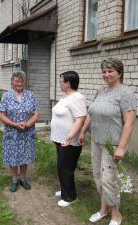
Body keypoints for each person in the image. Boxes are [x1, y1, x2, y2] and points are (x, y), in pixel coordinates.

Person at [78, 58, 137, 225]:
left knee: (109, 179)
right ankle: (104, 209)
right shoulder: (101, 91)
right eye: (104, 71)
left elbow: (130, 123)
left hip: (112, 144)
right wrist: (83, 130)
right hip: (96, 140)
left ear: (119, 73)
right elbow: (91, 113)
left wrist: (121, 147)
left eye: (110, 71)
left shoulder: (125, 93)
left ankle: (116, 215)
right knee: (98, 176)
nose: (106, 74)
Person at [50, 71, 87, 207]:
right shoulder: (65, 97)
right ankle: (65, 190)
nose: (59, 83)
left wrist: (70, 136)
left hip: (69, 141)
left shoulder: (77, 98)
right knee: (61, 166)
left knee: (66, 168)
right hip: (60, 139)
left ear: (68, 83)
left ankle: (70, 197)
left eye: (61, 81)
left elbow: (80, 118)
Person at [0, 71, 39, 192]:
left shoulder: (30, 95)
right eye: (17, 81)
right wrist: (14, 124)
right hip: (12, 131)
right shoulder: (6, 96)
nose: (19, 83)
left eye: (21, 81)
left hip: (27, 131)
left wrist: (28, 123)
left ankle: (22, 178)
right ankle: (14, 180)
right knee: (12, 155)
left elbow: (36, 113)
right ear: (12, 82)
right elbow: (2, 114)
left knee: (25, 155)